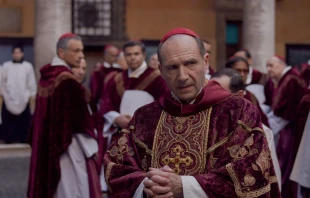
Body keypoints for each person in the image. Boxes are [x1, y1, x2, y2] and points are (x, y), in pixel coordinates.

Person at [103, 28, 280, 197]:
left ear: (206, 62)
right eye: (172, 67)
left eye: (190, 63)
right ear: (161, 70)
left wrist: (185, 187)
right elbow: (117, 167)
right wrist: (148, 186)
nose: (182, 76)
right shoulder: (144, 117)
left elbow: (251, 174)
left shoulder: (239, 112)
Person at [27, 33, 102, 198]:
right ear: (62, 53)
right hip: (69, 148)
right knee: (72, 188)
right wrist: (93, 146)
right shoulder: (68, 82)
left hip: (46, 146)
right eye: (76, 51)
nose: (81, 55)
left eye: (81, 50)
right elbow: (80, 123)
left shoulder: (46, 78)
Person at [211, 68, 281, 188]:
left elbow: (268, 178)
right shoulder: (199, 123)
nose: (210, 99)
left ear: (239, 96)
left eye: (219, 94)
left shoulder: (258, 131)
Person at [264, 55, 308, 198]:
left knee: (284, 161)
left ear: (282, 64)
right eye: (267, 66)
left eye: (271, 65)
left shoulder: (292, 79)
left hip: (288, 130)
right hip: (280, 128)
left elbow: (291, 110)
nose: (268, 69)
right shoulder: (280, 79)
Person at [0, 45, 36, 143]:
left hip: (23, 98)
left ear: (22, 54)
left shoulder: (27, 66)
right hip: (9, 98)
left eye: (18, 52)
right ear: (12, 54)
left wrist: (30, 95)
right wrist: (4, 94)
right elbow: (2, 82)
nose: (16, 54)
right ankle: (8, 139)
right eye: (14, 52)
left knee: (24, 122)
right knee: (8, 122)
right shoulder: (6, 66)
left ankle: (24, 139)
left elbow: (31, 83)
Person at [226, 56, 270, 127]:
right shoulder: (222, 94)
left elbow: (263, 121)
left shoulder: (251, 96)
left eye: (245, 71)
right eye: (238, 70)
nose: (242, 74)